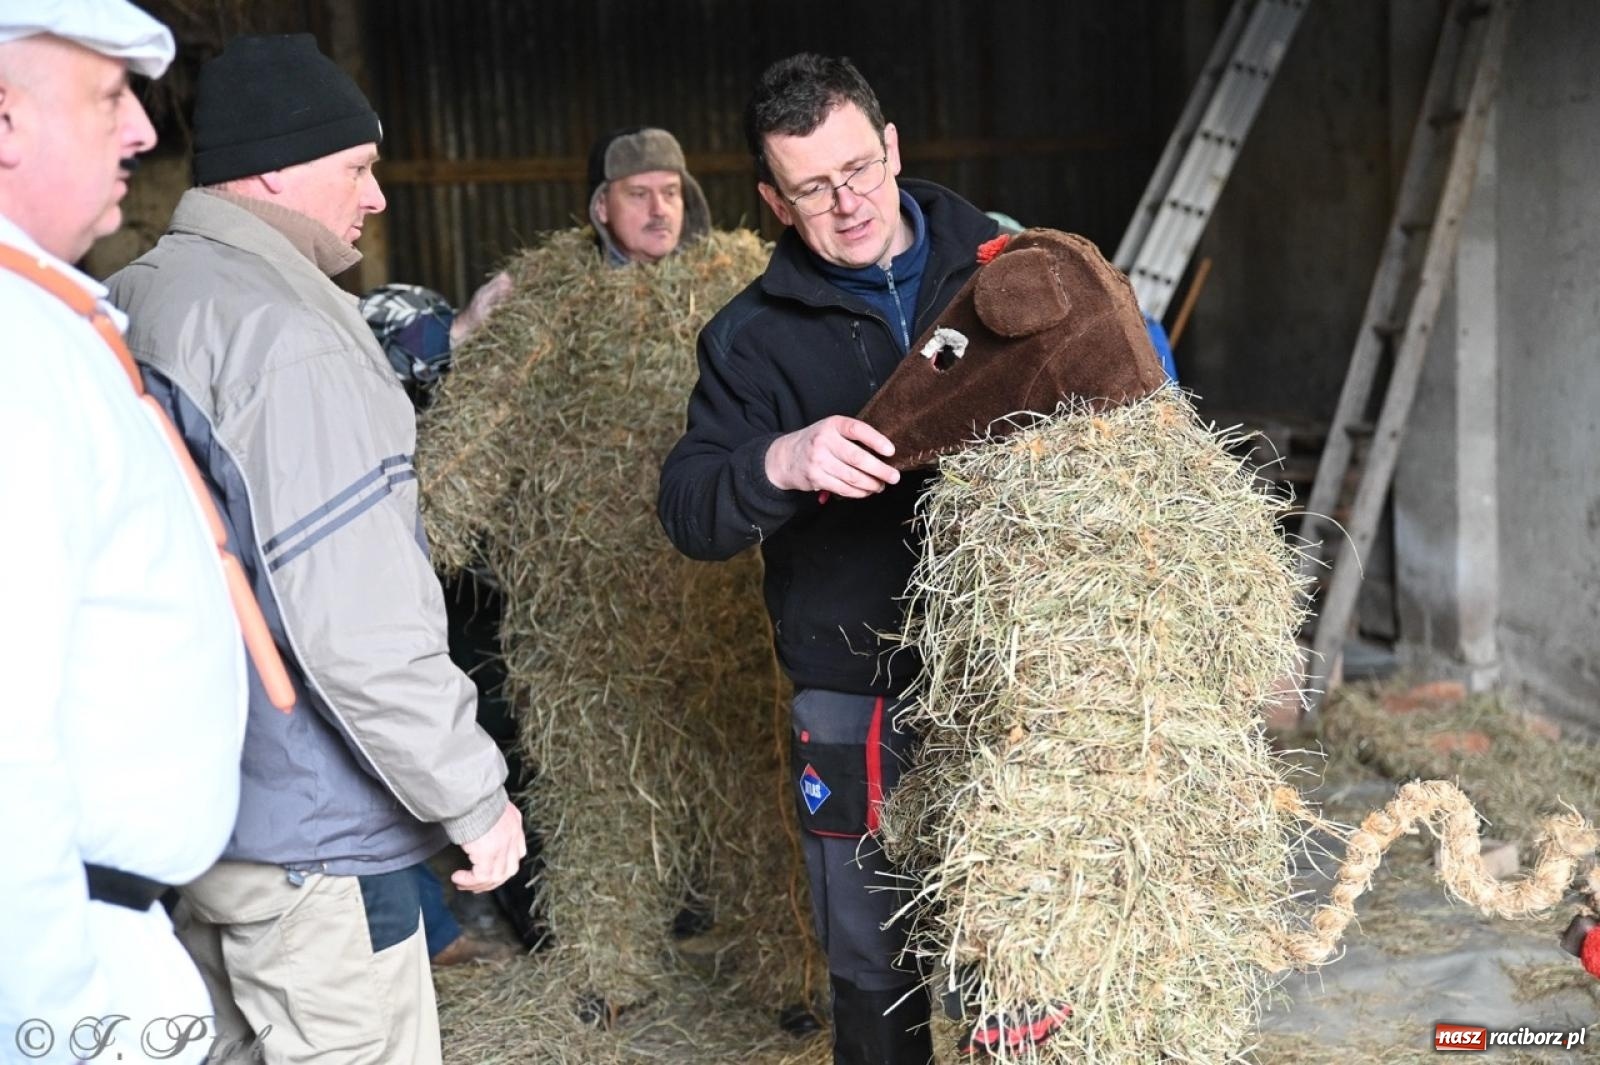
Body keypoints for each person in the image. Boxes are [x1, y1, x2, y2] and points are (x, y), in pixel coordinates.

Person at [107, 34, 523, 1064]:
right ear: (276, 169)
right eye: (359, 167)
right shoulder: (287, 338)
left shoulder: (144, 295)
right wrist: (473, 797)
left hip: (207, 818)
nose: (376, 197)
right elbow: (355, 625)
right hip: (320, 847)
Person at [657, 53, 1003, 1065]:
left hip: (1006, 673)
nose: (847, 203)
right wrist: (783, 456)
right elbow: (689, 507)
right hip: (853, 684)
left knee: (1019, 936)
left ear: (891, 146)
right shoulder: (750, 339)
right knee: (871, 950)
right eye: (812, 187)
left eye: (858, 168)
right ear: (772, 198)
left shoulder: (999, 267)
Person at [0, 5, 251, 1064]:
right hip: (61, 961)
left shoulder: (48, 326)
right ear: (5, 121)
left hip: (106, 935)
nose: (144, 131)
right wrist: (53, 1020)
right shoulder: (15, 357)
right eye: (109, 96)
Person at [587, 126, 710, 264]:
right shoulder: (569, 279)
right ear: (601, 206)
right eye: (639, 195)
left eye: (670, 193)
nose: (659, 210)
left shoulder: (721, 275)